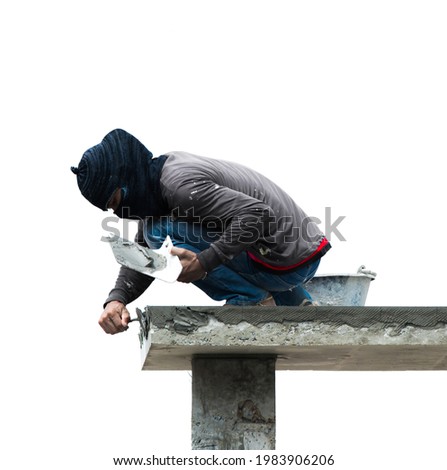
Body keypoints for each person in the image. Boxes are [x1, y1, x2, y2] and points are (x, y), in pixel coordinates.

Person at [71, 129, 331, 334]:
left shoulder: (179, 186)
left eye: (116, 202)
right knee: (155, 230)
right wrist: (116, 300)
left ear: (126, 178)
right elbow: (143, 255)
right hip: (291, 257)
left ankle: (251, 300)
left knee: (159, 231)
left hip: (287, 260)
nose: (119, 214)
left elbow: (257, 215)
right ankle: (294, 300)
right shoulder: (161, 180)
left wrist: (204, 262)